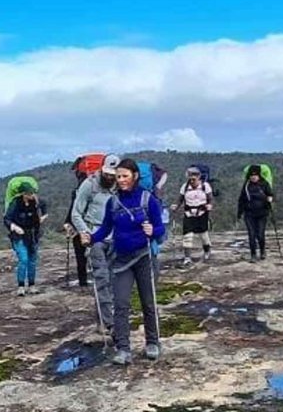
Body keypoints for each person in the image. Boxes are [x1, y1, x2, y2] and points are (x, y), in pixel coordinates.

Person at [89, 158, 167, 365]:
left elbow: (161, 229)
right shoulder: (113, 202)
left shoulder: (147, 199)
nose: (121, 180)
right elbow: (105, 229)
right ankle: (123, 349)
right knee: (121, 304)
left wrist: (154, 231)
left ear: (135, 176)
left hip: (144, 258)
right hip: (121, 260)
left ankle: (153, 343)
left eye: (125, 176)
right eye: (118, 177)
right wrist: (89, 238)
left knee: (148, 303)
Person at [68, 153, 120, 330]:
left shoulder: (121, 185)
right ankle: (108, 323)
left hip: (116, 238)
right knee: (101, 278)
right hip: (95, 237)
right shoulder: (89, 185)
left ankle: (106, 318)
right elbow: (76, 213)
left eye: (113, 175)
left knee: (115, 280)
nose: (109, 177)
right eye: (107, 174)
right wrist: (85, 232)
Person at [3, 185, 45, 296]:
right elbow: (6, 219)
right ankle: (21, 286)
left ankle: (32, 285)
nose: (32, 195)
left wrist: (41, 219)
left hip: (32, 235)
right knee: (23, 259)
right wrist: (14, 227)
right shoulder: (15, 204)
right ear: (24, 194)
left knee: (32, 260)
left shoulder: (34, 203)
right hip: (19, 235)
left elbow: (41, 211)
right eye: (30, 193)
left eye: (33, 193)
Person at [175, 167, 214, 267]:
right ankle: (187, 258)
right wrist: (176, 206)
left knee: (203, 235)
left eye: (194, 179)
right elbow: (180, 199)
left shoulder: (205, 186)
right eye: (190, 179)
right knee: (187, 235)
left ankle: (207, 250)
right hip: (189, 213)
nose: (192, 181)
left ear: (199, 177)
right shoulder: (185, 187)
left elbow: (210, 198)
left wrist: (210, 205)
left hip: (202, 213)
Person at [236, 165, 276, 261]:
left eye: (255, 175)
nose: (253, 177)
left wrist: (270, 199)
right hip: (249, 214)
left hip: (262, 213)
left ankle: (262, 251)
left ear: (259, 175)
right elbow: (241, 200)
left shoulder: (264, 184)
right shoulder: (246, 186)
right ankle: (253, 255)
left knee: (260, 234)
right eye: (251, 175)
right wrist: (239, 213)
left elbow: (270, 194)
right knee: (251, 234)